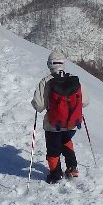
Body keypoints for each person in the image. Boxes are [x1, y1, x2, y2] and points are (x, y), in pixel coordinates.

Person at [31, 48, 86, 183]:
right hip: (71, 123)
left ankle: (55, 174)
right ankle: (72, 168)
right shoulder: (73, 80)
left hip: (53, 123)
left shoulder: (46, 81)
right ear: (63, 64)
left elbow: (39, 105)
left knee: (53, 148)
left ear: (50, 64)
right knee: (66, 142)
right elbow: (85, 102)